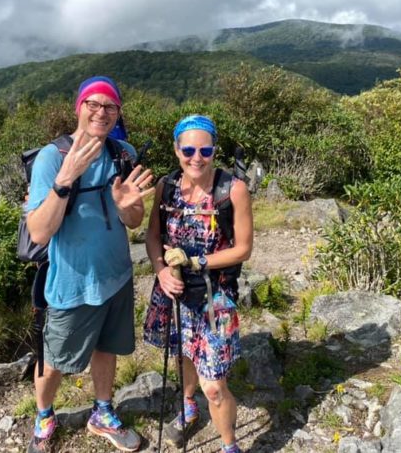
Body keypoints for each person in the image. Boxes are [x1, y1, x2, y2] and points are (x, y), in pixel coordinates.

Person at [25, 76, 154, 452]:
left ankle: (102, 410)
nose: (101, 112)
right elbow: (38, 233)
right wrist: (65, 180)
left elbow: (133, 221)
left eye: (109, 106)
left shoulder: (122, 152)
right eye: (92, 104)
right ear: (78, 107)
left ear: (118, 113)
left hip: (117, 276)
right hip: (71, 283)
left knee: (106, 348)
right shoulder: (53, 158)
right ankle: (45, 415)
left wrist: (129, 207)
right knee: (54, 359)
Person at [143, 115, 253, 453]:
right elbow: (152, 235)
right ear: (176, 150)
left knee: (215, 385)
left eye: (205, 150)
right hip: (175, 290)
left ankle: (229, 446)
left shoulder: (232, 189)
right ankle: (188, 405)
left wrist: (197, 262)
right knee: (184, 353)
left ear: (214, 150)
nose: (196, 157)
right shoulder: (168, 186)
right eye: (188, 149)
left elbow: (243, 249)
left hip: (213, 298)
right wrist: (161, 269)